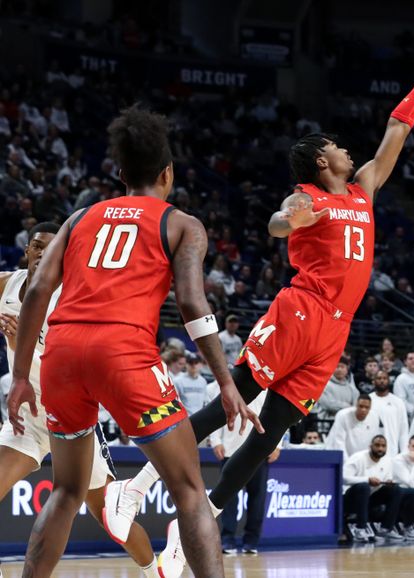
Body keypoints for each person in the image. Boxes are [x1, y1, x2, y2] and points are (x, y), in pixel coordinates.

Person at [103, 28, 414, 577]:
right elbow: (276, 221)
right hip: (301, 310)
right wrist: (288, 219)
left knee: (272, 432)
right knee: (234, 397)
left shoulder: (363, 189)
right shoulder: (309, 197)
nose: (347, 149)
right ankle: (138, 486)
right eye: (337, 145)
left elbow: (396, 129)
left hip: (336, 330)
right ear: (321, 160)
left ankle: (190, 529)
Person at [6, 107, 258, 578]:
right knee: (188, 490)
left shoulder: (80, 217)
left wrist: (21, 376)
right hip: (122, 352)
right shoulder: (182, 224)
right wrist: (225, 381)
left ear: (120, 174)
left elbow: (38, 289)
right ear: (168, 173)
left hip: (59, 351)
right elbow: (192, 306)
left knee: (66, 490)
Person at [0, 223, 160, 578]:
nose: (43, 253)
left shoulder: (73, 297)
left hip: (71, 418)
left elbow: (75, 368)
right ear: (26, 250)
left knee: (107, 516)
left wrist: (20, 351)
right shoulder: (6, 285)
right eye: (37, 246)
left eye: (52, 247)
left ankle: (154, 571)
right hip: (26, 420)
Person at [207, 383, 274, 554]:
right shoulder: (226, 385)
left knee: (257, 499)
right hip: (230, 449)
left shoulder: (269, 387)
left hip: (259, 450)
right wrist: (216, 441)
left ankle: (251, 541)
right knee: (228, 499)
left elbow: (277, 415)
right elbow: (215, 412)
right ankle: (227, 540)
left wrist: (277, 444)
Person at [342, 435, 405, 542]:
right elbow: (344, 478)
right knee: (364, 486)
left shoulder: (387, 460)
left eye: (383, 446)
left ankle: (386, 529)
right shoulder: (358, 458)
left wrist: (388, 483)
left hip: (370, 498)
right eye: (377, 445)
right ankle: (360, 529)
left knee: (396, 489)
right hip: (350, 498)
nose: (380, 448)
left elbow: (386, 478)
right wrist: (367, 479)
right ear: (370, 446)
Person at [326, 393, 382, 460]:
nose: (363, 410)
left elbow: (373, 441)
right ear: (356, 406)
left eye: (366, 407)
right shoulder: (343, 415)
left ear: (370, 407)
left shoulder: (374, 417)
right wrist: (347, 463)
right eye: (361, 406)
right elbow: (339, 442)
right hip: (336, 455)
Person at [369, 370, 408, 457]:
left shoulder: (398, 402)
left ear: (389, 381)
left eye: (384, 378)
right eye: (379, 378)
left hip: (392, 449)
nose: (382, 381)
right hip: (371, 448)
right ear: (373, 381)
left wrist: (404, 452)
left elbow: (403, 429)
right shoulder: (368, 400)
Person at [174, 352, 209, 416]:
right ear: (186, 364)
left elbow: (205, 401)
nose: (194, 366)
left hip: (199, 417)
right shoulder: (178, 381)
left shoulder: (203, 381)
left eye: (196, 363)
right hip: (185, 418)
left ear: (201, 364)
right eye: (191, 363)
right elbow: (175, 402)